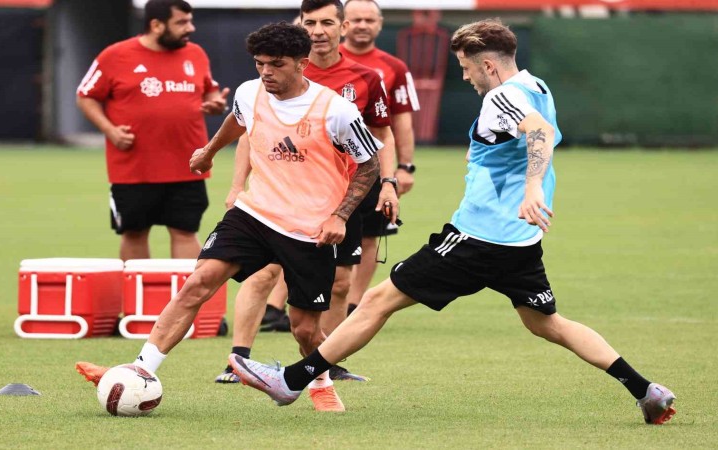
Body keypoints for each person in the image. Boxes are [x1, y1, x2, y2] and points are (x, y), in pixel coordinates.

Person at [228, 18, 678, 425]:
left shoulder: (502, 95)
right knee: (548, 323)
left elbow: (538, 133)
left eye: (466, 68)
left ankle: (292, 380)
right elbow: (525, 136)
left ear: (488, 65)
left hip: (478, 237)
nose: (465, 77)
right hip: (519, 241)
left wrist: (533, 188)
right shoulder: (536, 85)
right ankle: (646, 390)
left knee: (378, 300)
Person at [75, 21, 388, 413]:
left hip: (310, 228)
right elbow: (238, 119)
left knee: (304, 328)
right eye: (260, 63)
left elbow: (369, 164)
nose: (266, 72)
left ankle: (321, 383)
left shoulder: (335, 110)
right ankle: (141, 369)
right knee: (197, 283)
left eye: (276, 64)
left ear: (302, 63)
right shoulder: (249, 92)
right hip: (255, 213)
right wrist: (209, 151)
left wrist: (340, 216)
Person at [214, 0, 397, 384]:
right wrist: (236, 186)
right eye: (310, 22)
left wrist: (391, 182)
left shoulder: (365, 77)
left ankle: (324, 365)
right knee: (262, 273)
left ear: (342, 26)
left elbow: (382, 134)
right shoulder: (274, 73)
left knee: (340, 283)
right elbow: (249, 132)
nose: (318, 30)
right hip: (276, 196)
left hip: (340, 197)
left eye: (327, 22)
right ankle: (237, 360)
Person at [76, 0, 229, 261]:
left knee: (185, 231)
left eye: (190, 21)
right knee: (134, 233)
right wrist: (110, 131)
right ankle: (137, 290)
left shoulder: (196, 54)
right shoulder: (115, 55)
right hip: (134, 167)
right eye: (181, 22)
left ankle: (185, 290)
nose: (190, 28)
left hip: (188, 163)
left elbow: (210, 89)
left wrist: (215, 103)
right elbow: (85, 95)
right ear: (156, 25)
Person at [340, 0, 420, 316]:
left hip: (372, 166)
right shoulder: (322, 60)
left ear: (380, 24)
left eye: (369, 19)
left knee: (371, 234)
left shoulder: (393, 67)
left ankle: (353, 304)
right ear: (343, 23)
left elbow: (400, 121)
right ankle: (278, 305)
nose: (363, 25)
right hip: (325, 165)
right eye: (356, 19)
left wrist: (405, 166)